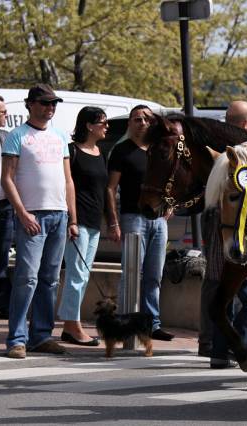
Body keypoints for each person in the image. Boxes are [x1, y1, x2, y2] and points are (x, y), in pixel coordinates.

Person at [2, 84, 77, 359]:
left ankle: (41, 336)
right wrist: (22, 213)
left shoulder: (60, 137)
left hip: (59, 215)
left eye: (53, 103)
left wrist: (72, 218)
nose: (50, 108)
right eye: (45, 103)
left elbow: (68, 180)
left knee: (50, 279)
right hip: (32, 215)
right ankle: (17, 339)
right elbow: (7, 179)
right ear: (30, 104)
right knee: (27, 278)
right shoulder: (17, 136)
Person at [201, 100, 247, 367]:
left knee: (221, 295)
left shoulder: (217, 147)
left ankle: (218, 351)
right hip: (234, 228)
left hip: (216, 225)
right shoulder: (244, 154)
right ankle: (240, 348)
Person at [106, 105, 174, 341]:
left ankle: (152, 324)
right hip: (132, 218)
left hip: (159, 220)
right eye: (137, 119)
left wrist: (171, 205)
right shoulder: (122, 151)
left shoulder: (159, 149)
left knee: (154, 275)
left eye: (146, 119)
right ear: (130, 124)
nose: (142, 123)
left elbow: (170, 181)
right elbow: (110, 188)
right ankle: (126, 324)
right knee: (132, 273)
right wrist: (113, 222)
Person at [57, 107, 109, 346]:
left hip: (94, 222)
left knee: (83, 275)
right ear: (89, 125)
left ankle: (70, 324)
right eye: (102, 122)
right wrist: (72, 220)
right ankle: (72, 326)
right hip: (78, 222)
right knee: (76, 274)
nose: (106, 126)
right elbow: (68, 187)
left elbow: (104, 190)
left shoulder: (100, 152)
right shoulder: (71, 151)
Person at [0, 95, 13, 319]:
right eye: (2, 112)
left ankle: (1, 304)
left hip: (3, 206)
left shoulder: (6, 138)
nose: (6, 115)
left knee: (0, 258)